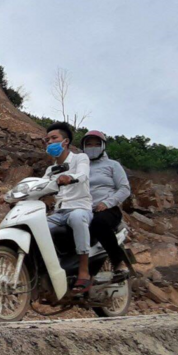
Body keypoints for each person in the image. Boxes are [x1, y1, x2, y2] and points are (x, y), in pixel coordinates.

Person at [41, 121, 93, 294]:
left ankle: (84, 271)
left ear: (66, 141)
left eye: (54, 138)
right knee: (38, 228)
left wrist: (70, 177)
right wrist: (11, 195)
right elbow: (39, 186)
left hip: (80, 207)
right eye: (47, 140)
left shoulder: (80, 158)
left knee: (77, 218)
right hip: (58, 212)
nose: (49, 142)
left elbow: (83, 174)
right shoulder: (51, 169)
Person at [83, 130, 132, 281]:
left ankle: (118, 263)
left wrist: (107, 203)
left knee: (99, 222)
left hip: (108, 210)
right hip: (84, 210)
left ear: (103, 146)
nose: (92, 147)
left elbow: (124, 189)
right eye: (88, 144)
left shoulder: (113, 165)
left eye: (96, 144)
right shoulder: (80, 167)